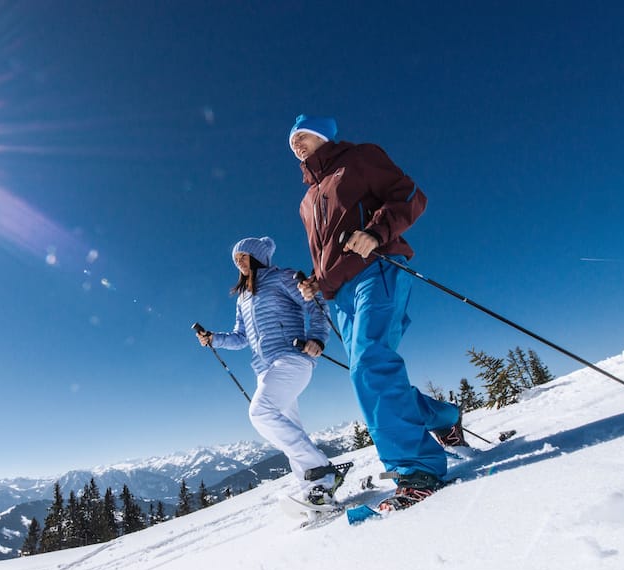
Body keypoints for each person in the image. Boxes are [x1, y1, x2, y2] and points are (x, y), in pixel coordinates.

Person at [288, 114, 464, 512]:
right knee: (368, 371)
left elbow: (410, 195)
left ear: (324, 135)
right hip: (341, 294)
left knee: (369, 364)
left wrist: (376, 233)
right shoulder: (306, 201)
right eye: (292, 140)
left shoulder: (359, 158)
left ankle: (417, 470)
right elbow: (327, 251)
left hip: (376, 269)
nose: (297, 143)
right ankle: (444, 417)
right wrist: (316, 281)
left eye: (304, 135)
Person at [196, 236, 346, 505]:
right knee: (290, 430)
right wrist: (214, 339)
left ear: (257, 256)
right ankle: (316, 492)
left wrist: (318, 338)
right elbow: (241, 337)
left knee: (260, 412)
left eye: (243, 256)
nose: (239, 262)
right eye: (236, 259)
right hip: (265, 369)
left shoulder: (282, 278)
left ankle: (323, 471)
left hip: (292, 358)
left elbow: (316, 304)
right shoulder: (243, 298)